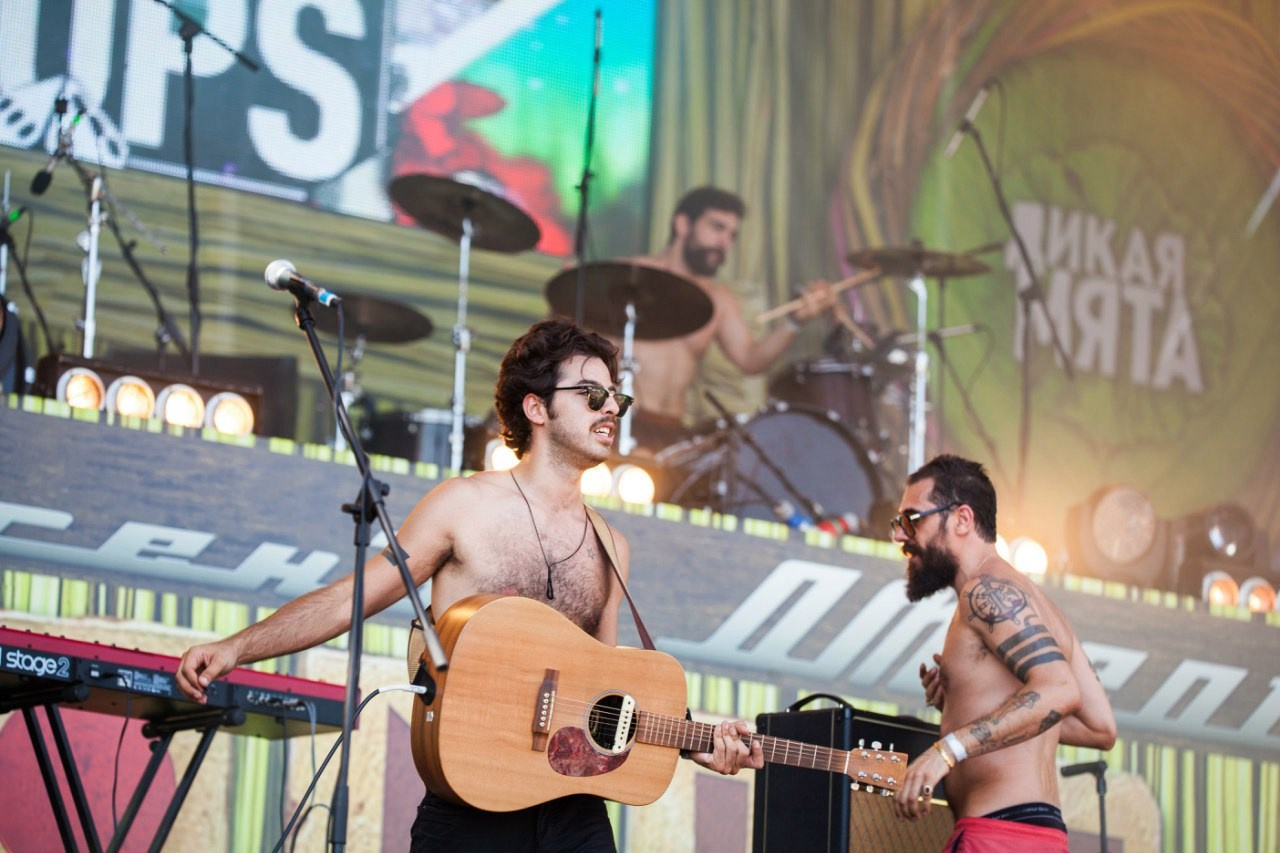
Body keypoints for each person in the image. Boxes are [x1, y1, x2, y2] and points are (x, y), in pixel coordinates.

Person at [176, 318, 763, 852]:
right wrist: (237, 648)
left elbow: (607, 690)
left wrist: (695, 737)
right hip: (470, 803)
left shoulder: (613, 545)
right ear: (536, 409)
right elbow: (349, 600)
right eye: (591, 395)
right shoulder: (463, 506)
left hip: (574, 814)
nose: (611, 407)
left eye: (616, 396)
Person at [888, 454, 1116, 851]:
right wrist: (970, 709)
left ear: (962, 519)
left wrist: (947, 750)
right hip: (1040, 836)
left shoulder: (985, 592)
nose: (901, 536)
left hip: (997, 835)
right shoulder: (1041, 605)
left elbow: (1060, 691)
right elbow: (1100, 728)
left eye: (913, 519)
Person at [624, 186, 834, 451]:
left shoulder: (717, 300)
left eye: (731, 235)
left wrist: (794, 321)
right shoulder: (626, 278)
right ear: (683, 224)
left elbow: (750, 359)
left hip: (672, 432)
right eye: (717, 227)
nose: (724, 242)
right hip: (621, 420)